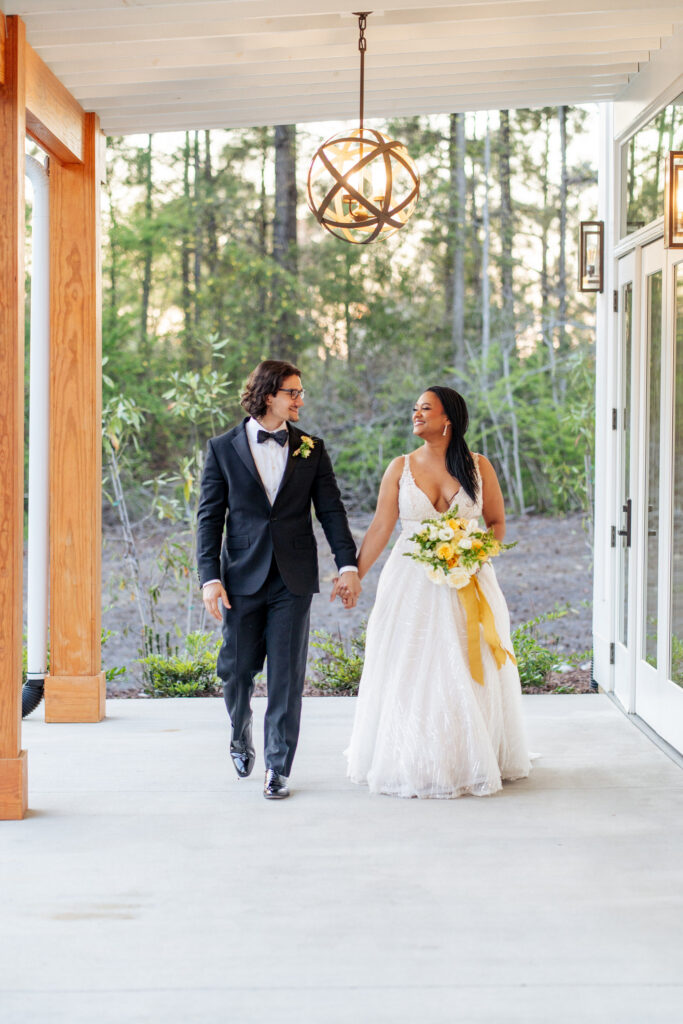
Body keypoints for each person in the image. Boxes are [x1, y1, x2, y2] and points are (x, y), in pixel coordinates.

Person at [344, 386, 530, 798]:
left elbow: (497, 522)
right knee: (412, 665)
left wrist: (478, 552)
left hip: (470, 580)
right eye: (414, 408)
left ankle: (467, 758)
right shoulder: (400, 467)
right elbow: (380, 527)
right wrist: (352, 573)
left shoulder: (478, 466)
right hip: (411, 583)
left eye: (425, 408)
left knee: (468, 663)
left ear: (448, 418)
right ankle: (412, 757)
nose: (416, 414)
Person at [197, 360, 360, 800]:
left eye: (301, 392)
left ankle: (277, 766)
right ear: (269, 395)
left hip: (293, 579)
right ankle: (239, 729)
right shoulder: (221, 448)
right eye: (294, 392)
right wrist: (209, 577)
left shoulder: (311, 448)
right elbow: (209, 519)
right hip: (240, 579)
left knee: (286, 677)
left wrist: (348, 566)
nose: (300, 400)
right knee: (235, 671)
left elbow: (330, 510)